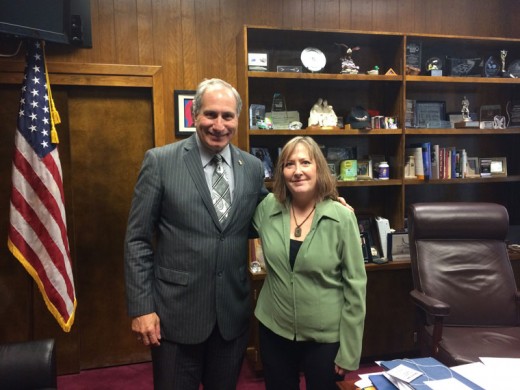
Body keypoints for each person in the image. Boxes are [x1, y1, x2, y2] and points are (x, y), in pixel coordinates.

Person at [124, 78, 267, 390]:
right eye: (210, 115)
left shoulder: (253, 167)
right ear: (194, 116)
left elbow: (270, 218)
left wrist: (326, 204)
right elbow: (137, 239)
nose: (219, 125)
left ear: (237, 120)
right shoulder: (160, 162)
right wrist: (141, 308)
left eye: (227, 116)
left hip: (231, 317)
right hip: (175, 317)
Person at [252, 136, 367, 390]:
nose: (298, 171)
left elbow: (356, 287)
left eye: (305, 162)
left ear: (319, 168)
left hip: (324, 337)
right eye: (289, 164)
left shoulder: (341, 217)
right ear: (282, 171)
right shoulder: (267, 208)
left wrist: (350, 349)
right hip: (274, 329)